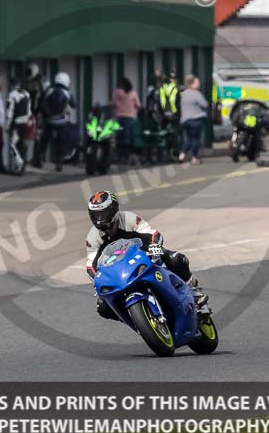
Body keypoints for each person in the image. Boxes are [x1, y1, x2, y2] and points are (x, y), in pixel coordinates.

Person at [85, 190, 209, 320]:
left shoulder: (129, 218)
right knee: (103, 307)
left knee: (176, 259)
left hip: (145, 257)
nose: (99, 220)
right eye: (95, 215)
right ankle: (137, 320)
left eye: (103, 214)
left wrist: (154, 247)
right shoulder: (92, 238)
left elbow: (152, 234)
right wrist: (98, 280)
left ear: (114, 210)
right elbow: (91, 265)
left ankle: (195, 293)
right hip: (119, 272)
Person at [40, 72, 75, 171]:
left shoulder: (49, 90)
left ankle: (40, 158)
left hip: (49, 120)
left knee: (44, 140)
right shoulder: (67, 93)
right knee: (61, 142)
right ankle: (59, 162)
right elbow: (73, 105)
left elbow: (42, 103)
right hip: (61, 121)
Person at [179, 74, 208, 165]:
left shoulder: (184, 93)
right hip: (196, 119)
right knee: (195, 139)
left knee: (189, 138)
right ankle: (194, 157)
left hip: (185, 120)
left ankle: (182, 154)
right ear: (192, 84)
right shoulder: (196, 94)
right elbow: (205, 104)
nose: (198, 84)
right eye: (197, 83)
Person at [5, 77, 31, 175]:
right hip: (25, 123)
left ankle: (19, 165)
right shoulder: (26, 94)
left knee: (13, 145)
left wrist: (7, 126)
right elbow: (29, 111)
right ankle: (22, 167)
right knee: (23, 145)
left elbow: (9, 113)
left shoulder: (11, 95)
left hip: (16, 123)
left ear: (12, 85)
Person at [111, 77, 140, 161]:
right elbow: (138, 105)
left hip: (119, 117)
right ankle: (127, 154)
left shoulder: (116, 92)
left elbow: (113, 103)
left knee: (119, 136)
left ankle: (119, 154)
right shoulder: (133, 93)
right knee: (128, 136)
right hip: (130, 118)